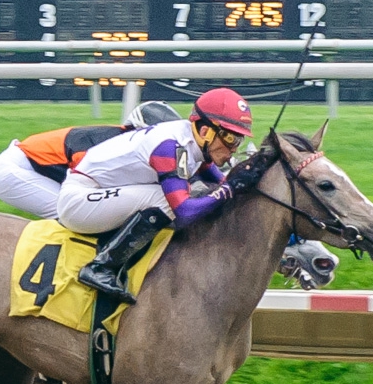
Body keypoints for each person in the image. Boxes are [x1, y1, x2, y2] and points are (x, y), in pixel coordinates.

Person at [57, 87, 272, 304]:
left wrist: (245, 180)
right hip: (79, 200)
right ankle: (101, 267)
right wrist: (230, 190)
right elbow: (185, 212)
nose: (234, 148)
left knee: (178, 195)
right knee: (164, 199)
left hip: (97, 194)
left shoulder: (195, 143)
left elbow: (223, 183)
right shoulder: (170, 147)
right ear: (205, 130)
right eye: (229, 137)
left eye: (238, 140)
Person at [0, 101, 183, 219]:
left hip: (33, 168)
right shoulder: (109, 143)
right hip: (14, 170)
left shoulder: (124, 141)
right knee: (77, 214)